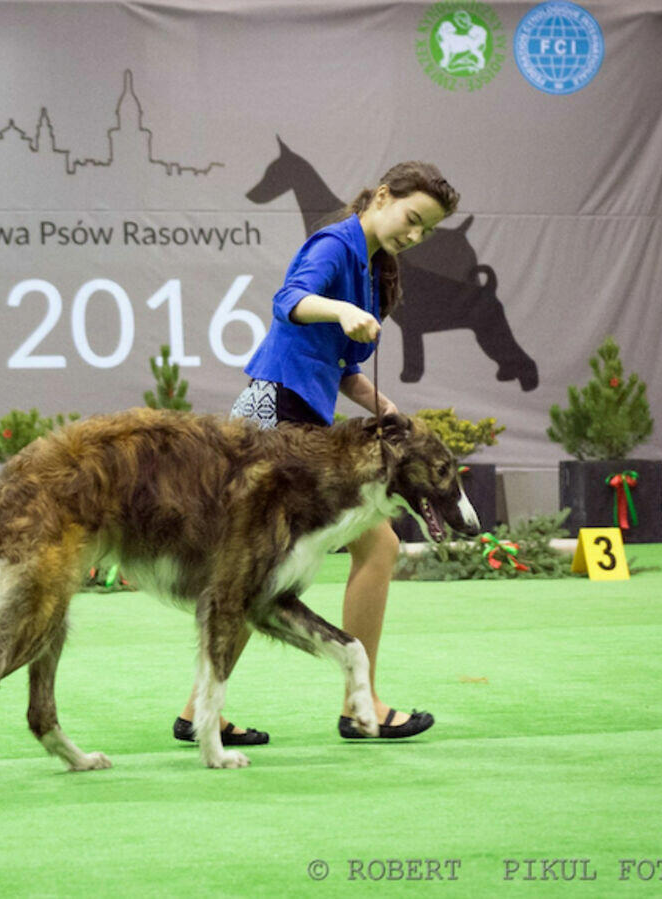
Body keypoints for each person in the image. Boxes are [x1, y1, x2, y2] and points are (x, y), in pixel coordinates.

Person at [171, 160, 460, 746]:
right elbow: (290, 300)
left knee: (263, 569)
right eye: (412, 218)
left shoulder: (372, 269)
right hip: (274, 417)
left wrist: (388, 409)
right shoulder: (334, 245)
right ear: (383, 196)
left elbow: (343, 369)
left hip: (302, 421)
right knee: (338, 553)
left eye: (426, 230)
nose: (415, 234)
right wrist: (342, 310)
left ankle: (202, 711)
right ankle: (361, 706)